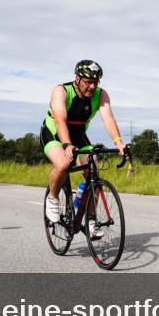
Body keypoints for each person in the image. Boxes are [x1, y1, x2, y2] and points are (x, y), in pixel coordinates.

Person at [41, 60, 127, 238]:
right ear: (77, 78)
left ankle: (90, 220)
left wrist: (119, 142)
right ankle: (53, 198)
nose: (92, 86)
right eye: (88, 81)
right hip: (55, 134)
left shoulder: (101, 95)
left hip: (79, 136)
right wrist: (66, 145)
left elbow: (108, 119)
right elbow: (60, 121)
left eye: (96, 82)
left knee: (93, 172)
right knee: (63, 165)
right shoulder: (61, 91)